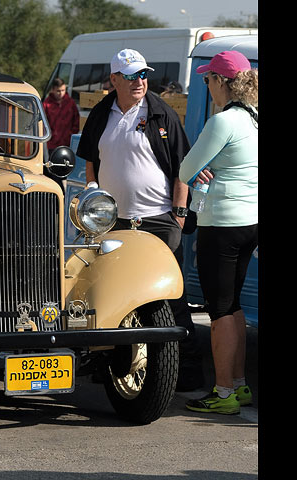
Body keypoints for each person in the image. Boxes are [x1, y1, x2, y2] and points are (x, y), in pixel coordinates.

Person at [76, 48, 204, 391]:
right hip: (113, 223)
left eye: (144, 75)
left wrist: (178, 215)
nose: (140, 82)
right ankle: (111, 369)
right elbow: (90, 162)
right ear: (114, 79)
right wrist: (94, 201)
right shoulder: (102, 113)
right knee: (111, 295)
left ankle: (187, 374)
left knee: (170, 299)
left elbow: (183, 169)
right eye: (132, 76)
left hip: (159, 221)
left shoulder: (162, 113)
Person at [181, 51, 258, 415]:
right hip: (250, 221)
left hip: (223, 223)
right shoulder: (254, 119)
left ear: (222, 82)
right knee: (235, 305)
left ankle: (223, 392)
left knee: (218, 311)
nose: (207, 86)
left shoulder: (222, 122)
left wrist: (201, 170)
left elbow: (185, 169)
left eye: (208, 79)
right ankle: (239, 386)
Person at [43, 77, 80, 153]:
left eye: (63, 90)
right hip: (52, 144)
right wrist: (51, 136)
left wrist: (71, 135)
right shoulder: (46, 104)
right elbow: (42, 124)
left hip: (68, 144)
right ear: (53, 90)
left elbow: (76, 120)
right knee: (53, 164)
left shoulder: (70, 103)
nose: (61, 93)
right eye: (58, 91)